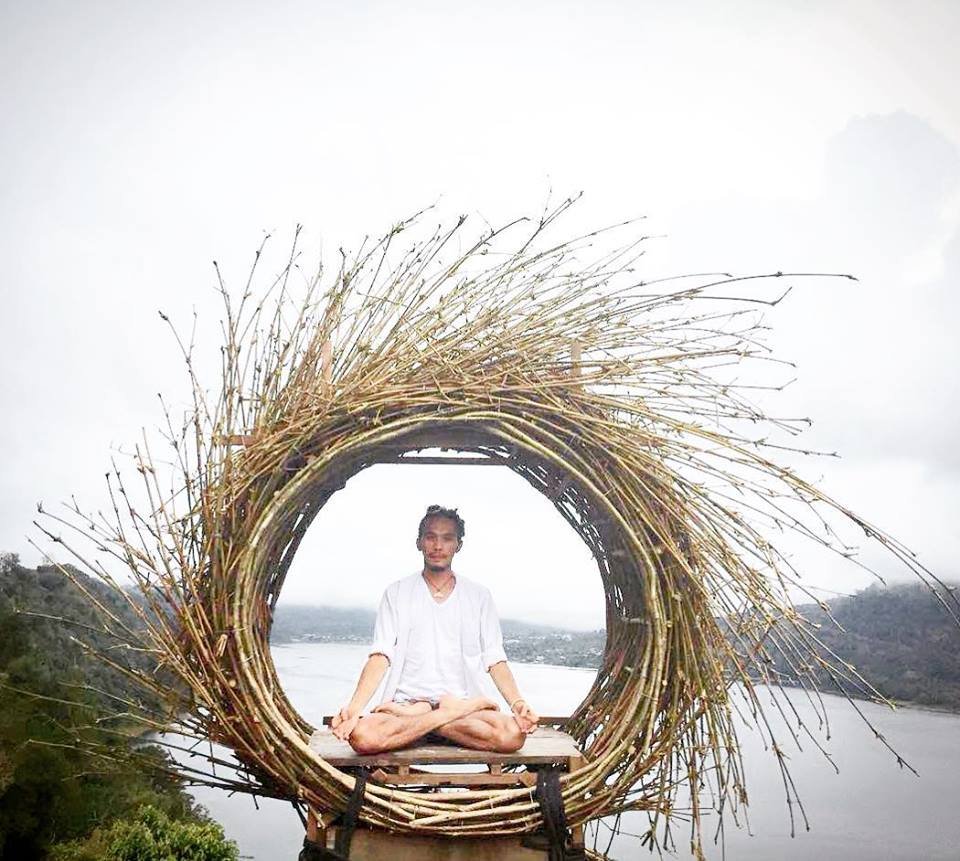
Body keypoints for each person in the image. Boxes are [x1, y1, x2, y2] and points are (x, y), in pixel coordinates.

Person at [330, 504, 539, 754]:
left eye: (447, 538)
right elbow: (381, 655)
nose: (438, 546)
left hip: (459, 711)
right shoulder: (396, 593)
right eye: (430, 537)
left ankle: (428, 720)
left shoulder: (479, 596)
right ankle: (438, 716)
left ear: (458, 545)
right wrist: (354, 710)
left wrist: (517, 703)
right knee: (362, 736)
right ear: (419, 542)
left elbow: (495, 658)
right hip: (406, 705)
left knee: (512, 736)